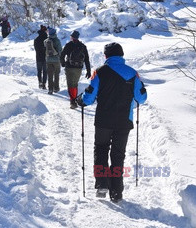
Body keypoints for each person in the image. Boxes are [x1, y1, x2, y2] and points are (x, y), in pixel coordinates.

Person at [77, 42, 147, 203]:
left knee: (101, 150)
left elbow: (88, 98)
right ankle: (116, 192)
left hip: (103, 120)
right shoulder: (132, 73)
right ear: (121, 55)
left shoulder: (99, 72)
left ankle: (102, 184)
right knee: (118, 155)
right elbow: (141, 98)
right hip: (124, 121)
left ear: (106, 56)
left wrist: (80, 100)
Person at [60, 30, 91, 109]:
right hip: (78, 68)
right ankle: (74, 100)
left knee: (70, 85)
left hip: (69, 67)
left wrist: (63, 63)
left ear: (72, 37)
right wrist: (88, 71)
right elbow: (87, 59)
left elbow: (62, 55)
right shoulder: (83, 46)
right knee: (75, 84)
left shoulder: (68, 45)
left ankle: (72, 102)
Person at [44, 27, 62, 95]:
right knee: (56, 74)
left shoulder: (46, 40)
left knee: (50, 75)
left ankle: (50, 89)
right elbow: (60, 50)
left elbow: (45, 48)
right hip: (56, 60)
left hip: (48, 60)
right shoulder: (57, 41)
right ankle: (56, 88)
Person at [34, 25, 48, 89]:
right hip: (46, 57)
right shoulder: (47, 39)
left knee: (39, 70)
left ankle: (40, 82)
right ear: (45, 31)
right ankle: (44, 84)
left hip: (38, 57)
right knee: (45, 71)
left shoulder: (36, 39)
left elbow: (36, 48)